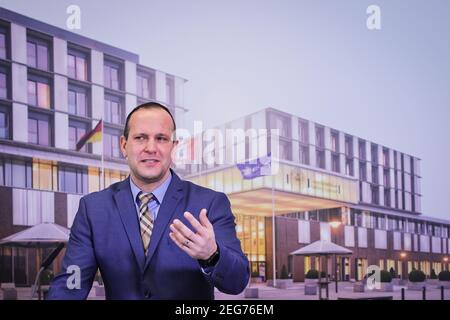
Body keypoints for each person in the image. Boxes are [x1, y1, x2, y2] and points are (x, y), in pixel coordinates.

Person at [47, 102, 249, 299]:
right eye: (141, 137)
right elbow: (70, 285)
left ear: (173, 147)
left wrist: (212, 254)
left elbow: (237, 281)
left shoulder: (211, 203)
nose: (151, 148)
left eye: (161, 138)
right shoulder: (93, 209)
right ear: (124, 145)